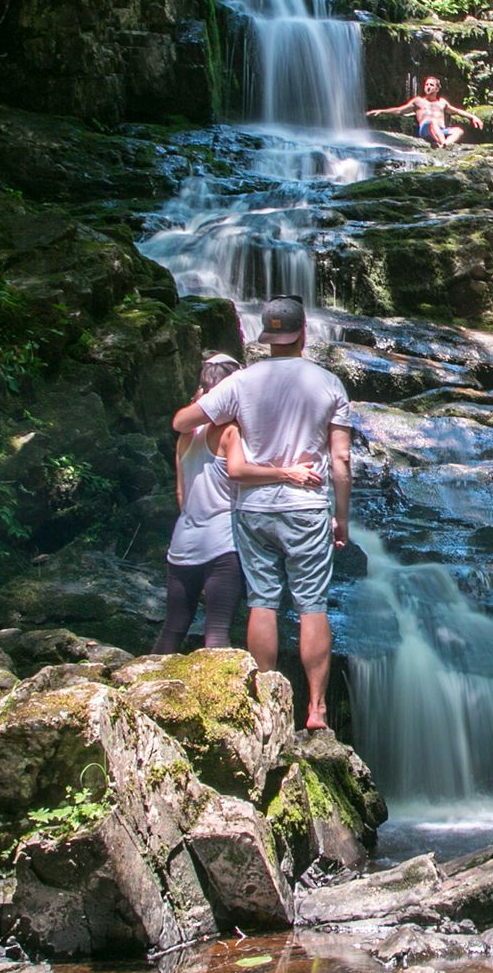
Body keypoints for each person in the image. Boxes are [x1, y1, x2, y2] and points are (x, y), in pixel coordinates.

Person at [171, 297, 353, 731]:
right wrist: (341, 516)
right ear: (303, 333)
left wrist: (212, 410)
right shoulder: (329, 383)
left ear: (266, 337)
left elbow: (182, 422)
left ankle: (269, 703)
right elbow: (341, 460)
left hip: (253, 506)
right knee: (311, 605)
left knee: (263, 603)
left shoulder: (241, 383)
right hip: (307, 508)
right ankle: (315, 710)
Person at [155, 354, 320, 655]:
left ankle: (147, 689)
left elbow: (181, 495)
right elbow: (238, 472)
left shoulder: (185, 435)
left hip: (183, 543)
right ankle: (220, 700)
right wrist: (288, 473)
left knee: (173, 627)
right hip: (223, 543)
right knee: (217, 631)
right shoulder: (230, 432)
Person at [368, 76, 484, 148]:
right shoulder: (418, 102)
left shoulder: (442, 103)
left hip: (441, 131)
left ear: (437, 89)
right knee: (432, 121)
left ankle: (444, 145)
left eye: (431, 85)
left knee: (458, 131)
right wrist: (381, 110)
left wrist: (473, 117)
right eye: (427, 85)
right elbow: (399, 110)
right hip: (426, 129)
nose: (428, 87)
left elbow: (457, 111)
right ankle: (443, 143)